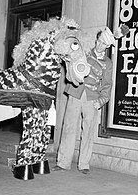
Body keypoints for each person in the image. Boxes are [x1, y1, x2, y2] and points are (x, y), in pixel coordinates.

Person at [53, 24, 129, 174]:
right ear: (97, 40)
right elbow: (71, 59)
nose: (100, 45)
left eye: (104, 44)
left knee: (88, 131)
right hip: (76, 92)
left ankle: (84, 164)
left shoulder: (108, 63)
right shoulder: (85, 52)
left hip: (92, 98)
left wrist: (101, 101)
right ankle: (63, 162)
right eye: (99, 41)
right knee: (69, 128)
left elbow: (107, 84)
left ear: (108, 45)